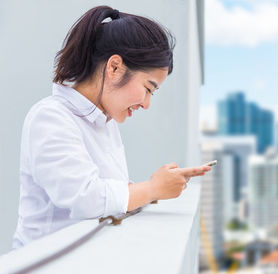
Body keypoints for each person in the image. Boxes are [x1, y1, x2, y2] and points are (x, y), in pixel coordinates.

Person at [12, 6, 211, 249]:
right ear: (114, 67)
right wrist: (153, 188)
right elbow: (87, 199)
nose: (146, 104)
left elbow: (112, 196)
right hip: (44, 266)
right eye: (148, 89)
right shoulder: (51, 117)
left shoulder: (105, 123)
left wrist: (158, 185)